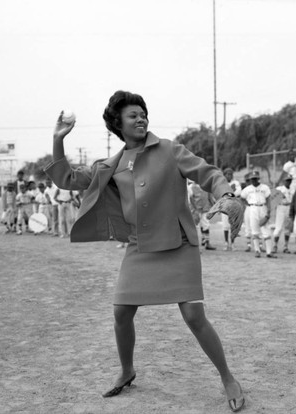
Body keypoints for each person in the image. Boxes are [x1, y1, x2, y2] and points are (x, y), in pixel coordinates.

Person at [44, 91, 245, 412]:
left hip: (179, 244)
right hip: (139, 249)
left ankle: (228, 378)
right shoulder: (110, 165)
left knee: (194, 316)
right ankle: (127, 370)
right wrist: (58, 139)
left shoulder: (169, 150)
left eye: (143, 114)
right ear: (117, 124)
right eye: (132, 115)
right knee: (121, 312)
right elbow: (67, 178)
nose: (140, 119)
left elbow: (208, 173)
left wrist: (229, 194)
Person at [240, 170, 275, 258]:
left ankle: (269, 252)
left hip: (262, 207)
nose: (254, 180)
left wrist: (269, 211)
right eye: (252, 179)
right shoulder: (247, 189)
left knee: (266, 230)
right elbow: (242, 198)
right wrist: (247, 204)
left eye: (255, 179)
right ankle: (257, 250)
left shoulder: (264, 187)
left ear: (258, 179)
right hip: (253, 208)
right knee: (254, 230)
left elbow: (268, 199)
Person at [188, 180, 217, 250]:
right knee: (195, 226)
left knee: (206, 225)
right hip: (195, 210)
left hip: (205, 209)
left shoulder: (206, 186)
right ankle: (194, 243)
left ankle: (207, 242)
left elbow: (210, 197)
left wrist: (214, 206)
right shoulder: (191, 187)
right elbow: (190, 199)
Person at [271, 174, 293, 254]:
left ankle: (286, 246)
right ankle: (275, 245)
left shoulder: (292, 189)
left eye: (290, 180)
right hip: (281, 207)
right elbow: (271, 194)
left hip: (289, 207)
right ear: (284, 181)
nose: (288, 182)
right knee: (278, 227)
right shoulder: (280, 189)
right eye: (287, 180)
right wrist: (279, 195)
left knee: (287, 229)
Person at [221, 168, 242, 250]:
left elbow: (238, 192)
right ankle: (226, 243)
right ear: (224, 175)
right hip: (225, 206)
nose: (229, 175)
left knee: (233, 225)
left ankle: (233, 243)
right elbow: (221, 193)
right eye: (227, 174)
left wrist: (229, 194)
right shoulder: (222, 183)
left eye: (230, 174)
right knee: (225, 225)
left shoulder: (235, 183)